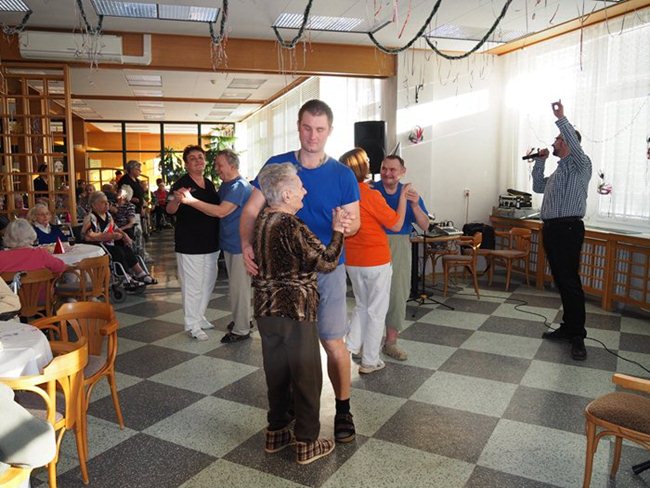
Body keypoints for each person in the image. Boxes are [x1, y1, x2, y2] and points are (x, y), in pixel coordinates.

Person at [240, 99, 360, 444]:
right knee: (289, 346)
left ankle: (343, 409)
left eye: (320, 129)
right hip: (286, 278)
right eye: (307, 127)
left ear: (330, 131)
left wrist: (343, 226)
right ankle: (289, 412)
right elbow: (250, 212)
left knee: (332, 341)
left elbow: (355, 223)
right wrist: (246, 244)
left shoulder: (342, 174)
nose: (312, 135)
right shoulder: (277, 165)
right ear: (298, 126)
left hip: (327, 269)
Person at [253, 163, 344, 464]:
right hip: (295, 310)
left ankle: (277, 431)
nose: (304, 190)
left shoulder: (262, 220)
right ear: (287, 194)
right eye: (300, 186)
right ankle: (306, 442)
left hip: (266, 309)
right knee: (307, 376)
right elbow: (327, 261)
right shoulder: (291, 225)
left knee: (277, 372)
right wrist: (339, 231)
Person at [340, 148, 409, 374]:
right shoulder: (370, 194)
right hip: (375, 260)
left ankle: (348, 348)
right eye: (368, 161)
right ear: (362, 167)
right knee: (376, 311)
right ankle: (370, 361)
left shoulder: (340, 194)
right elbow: (396, 224)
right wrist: (403, 198)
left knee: (362, 305)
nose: (371, 163)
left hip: (352, 260)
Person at [532, 100, 591, 361]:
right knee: (561, 280)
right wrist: (540, 162)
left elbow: (574, 144)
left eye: (557, 139)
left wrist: (561, 118)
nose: (554, 142)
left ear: (567, 142)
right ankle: (568, 327)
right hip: (552, 230)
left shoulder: (582, 165)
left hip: (569, 229)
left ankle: (577, 335)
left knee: (570, 281)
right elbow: (538, 187)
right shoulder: (558, 173)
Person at [176, 149, 253, 344]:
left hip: (239, 246)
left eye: (220, 165)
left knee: (239, 288)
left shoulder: (239, 186)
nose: (216, 168)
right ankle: (242, 319)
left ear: (232, 165)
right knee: (235, 287)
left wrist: (191, 200)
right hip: (227, 244)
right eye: (216, 164)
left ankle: (242, 328)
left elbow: (220, 212)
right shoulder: (226, 185)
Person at [373, 155, 430, 361]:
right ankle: (368, 343)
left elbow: (425, 225)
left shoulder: (410, 194)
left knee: (397, 293)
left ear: (402, 172)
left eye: (393, 169)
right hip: (373, 244)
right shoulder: (372, 190)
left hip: (399, 245)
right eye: (384, 168)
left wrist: (414, 205)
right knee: (372, 295)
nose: (387, 173)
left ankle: (391, 343)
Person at [166, 145, 220, 341]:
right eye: (193, 158)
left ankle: (199, 316)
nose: (198, 161)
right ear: (186, 164)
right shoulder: (181, 184)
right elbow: (170, 209)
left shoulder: (209, 183)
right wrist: (177, 200)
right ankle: (192, 325)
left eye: (200, 157)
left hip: (211, 242)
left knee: (207, 283)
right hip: (190, 243)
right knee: (193, 286)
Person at [81, 191, 154, 285]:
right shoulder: (90, 218)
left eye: (107, 202)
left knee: (126, 248)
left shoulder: (108, 216)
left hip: (108, 244)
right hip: (97, 246)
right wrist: (109, 236)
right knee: (117, 251)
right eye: (103, 202)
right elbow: (88, 236)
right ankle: (124, 277)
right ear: (94, 205)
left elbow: (115, 228)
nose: (107, 204)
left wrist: (124, 235)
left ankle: (140, 273)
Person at [0, 219, 67, 274]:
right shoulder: (40, 254)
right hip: (41, 287)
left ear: (7, 236)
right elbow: (61, 267)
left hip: (9, 287)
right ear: (31, 233)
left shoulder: (1, 256)